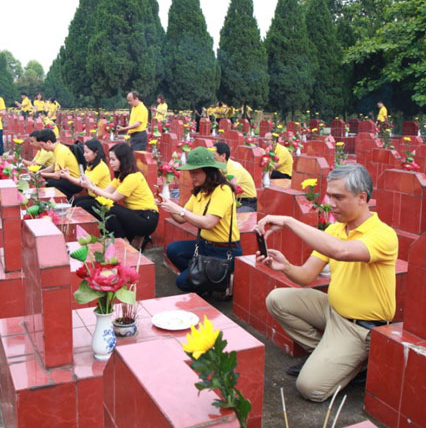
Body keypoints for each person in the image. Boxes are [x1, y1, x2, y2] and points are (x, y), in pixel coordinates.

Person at [257, 163, 398, 402]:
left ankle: (357, 364)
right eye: (329, 196)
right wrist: (286, 267)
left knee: (310, 388)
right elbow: (306, 276)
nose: (331, 203)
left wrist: (290, 221)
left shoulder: (383, 235)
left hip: (359, 327)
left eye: (338, 197)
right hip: (331, 309)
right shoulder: (334, 229)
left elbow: (342, 251)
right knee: (276, 299)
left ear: (362, 197)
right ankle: (322, 352)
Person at [162, 147, 242, 292]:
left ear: (209, 170)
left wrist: (178, 210)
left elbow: (209, 223)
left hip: (223, 251)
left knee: (182, 282)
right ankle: (204, 280)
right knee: (173, 250)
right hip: (204, 245)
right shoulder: (200, 191)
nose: (192, 177)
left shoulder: (223, 190)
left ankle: (215, 282)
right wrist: (166, 205)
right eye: (191, 173)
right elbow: (181, 218)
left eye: (196, 173)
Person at [82, 142, 159, 247]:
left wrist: (91, 187)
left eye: (113, 160)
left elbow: (114, 198)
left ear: (123, 160)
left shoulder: (133, 177)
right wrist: (90, 186)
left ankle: (124, 242)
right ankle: (128, 241)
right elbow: (105, 193)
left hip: (146, 218)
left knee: (109, 208)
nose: (111, 163)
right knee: (97, 206)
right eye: (110, 159)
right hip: (135, 214)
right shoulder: (121, 176)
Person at [35, 128, 83, 199]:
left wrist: (40, 174)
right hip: (67, 178)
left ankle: (65, 200)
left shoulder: (61, 151)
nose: (42, 148)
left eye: (42, 145)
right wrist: (40, 171)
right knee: (43, 171)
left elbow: (57, 175)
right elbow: (53, 166)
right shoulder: (58, 148)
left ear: (48, 142)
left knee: (50, 183)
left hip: (74, 182)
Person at [69, 139, 112, 213]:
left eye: (87, 152)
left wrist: (67, 176)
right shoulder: (90, 165)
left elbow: (84, 183)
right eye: (84, 152)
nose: (84, 154)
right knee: (76, 200)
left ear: (96, 153)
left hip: (102, 199)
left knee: (80, 204)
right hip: (93, 196)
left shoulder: (101, 167)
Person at [213, 142, 257, 212]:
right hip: (233, 198)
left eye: (214, 155)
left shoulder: (234, 169)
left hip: (246, 201)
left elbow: (228, 188)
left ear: (223, 156)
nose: (212, 158)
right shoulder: (220, 166)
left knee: (234, 218)